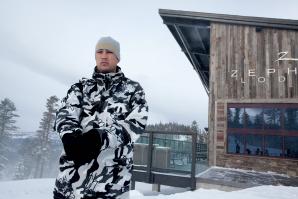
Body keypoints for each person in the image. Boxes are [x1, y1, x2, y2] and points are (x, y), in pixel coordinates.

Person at [53, 36, 149, 199]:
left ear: (117, 58)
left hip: (112, 187)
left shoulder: (133, 90)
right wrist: (70, 136)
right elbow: (66, 112)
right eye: (100, 51)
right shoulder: (80, 87)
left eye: (109, 52)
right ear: (95, 55)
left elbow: (136, 124)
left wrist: (99, 137)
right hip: (70, 184)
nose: (104, 56)